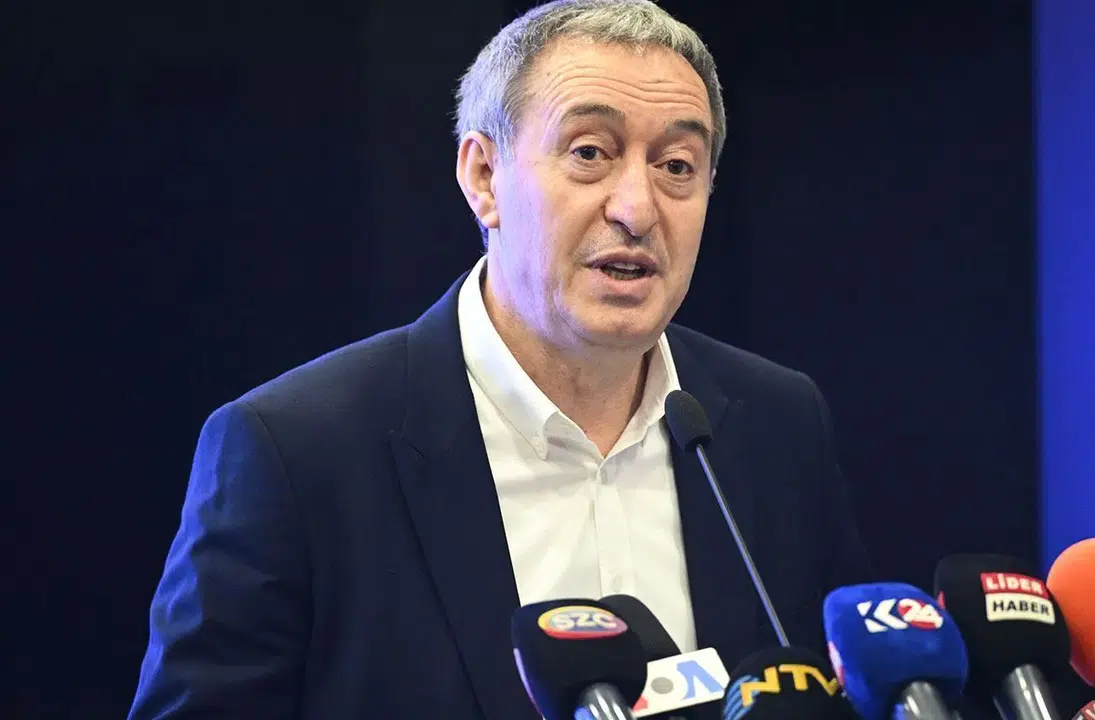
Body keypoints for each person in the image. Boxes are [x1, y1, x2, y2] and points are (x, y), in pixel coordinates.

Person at [128, 1, 873, 717]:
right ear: (484, 177)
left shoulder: (777, 426)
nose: (638, 209)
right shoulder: (295, 451)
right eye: (590, 153)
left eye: (677, 165)